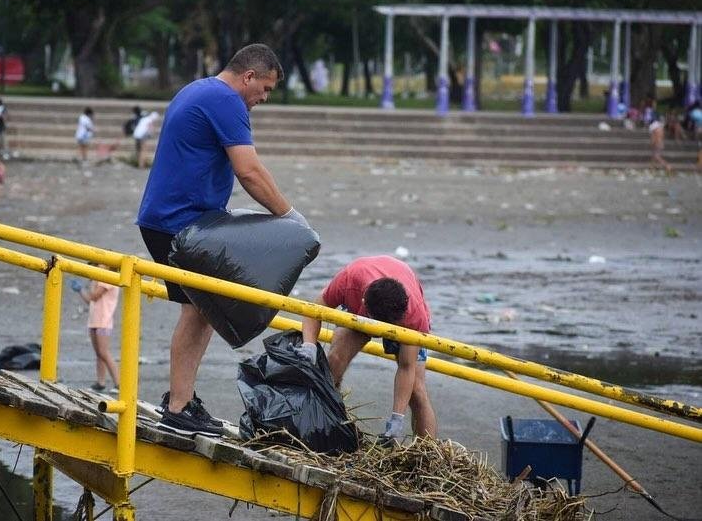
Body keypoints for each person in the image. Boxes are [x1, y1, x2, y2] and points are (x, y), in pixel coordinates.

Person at [136, 43, 309, 436]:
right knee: (200, 311)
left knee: (202, 311)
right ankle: (179, 406)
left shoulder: (198, 89)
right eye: (264, 89)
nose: (263, 98)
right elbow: (249, 171)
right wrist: (290, 217)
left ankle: (181, 401)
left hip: (172, 219)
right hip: (179, 224)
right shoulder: (226, 101)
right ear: (248, 76)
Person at [300, 255, 437, 440]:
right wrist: (309, 345)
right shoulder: (349, 281)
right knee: (334, 362)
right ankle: (320, 428)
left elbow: (407, 367)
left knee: (417, 390)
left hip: (403, 320)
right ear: (364, 304)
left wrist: (397, 418)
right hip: (363, 306)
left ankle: (427, 452)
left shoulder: (413, 315)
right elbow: (314, 309)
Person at [70, 270, 120, 393]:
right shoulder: (99, 280)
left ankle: (119, 383)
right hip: (94, 321)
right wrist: (80, 290)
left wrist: (90, 283)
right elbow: (90, 301)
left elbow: (94, 296)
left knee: (104, 352)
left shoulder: (108, 279)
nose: (97, 266)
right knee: (98, 353)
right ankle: (100, 382)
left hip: (104, 322)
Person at [644, 98, 672, 173]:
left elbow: (653, 137)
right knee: (654, 155)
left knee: (656, 156)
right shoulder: (660, 126)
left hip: (657, 142)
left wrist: (652, 143)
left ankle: (667, 166)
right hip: (661, 142)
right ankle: (652, 167)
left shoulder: (653, 127)